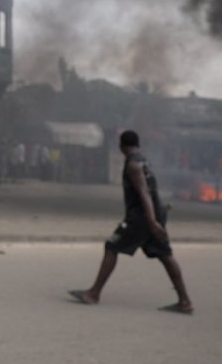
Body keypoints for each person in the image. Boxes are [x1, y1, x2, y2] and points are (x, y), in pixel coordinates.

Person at [69, 130, 193, 315]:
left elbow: (144, 193)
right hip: (155, 214)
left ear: (121, 146)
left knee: (112, 246)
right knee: (165, 255)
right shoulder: (144, 160)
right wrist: (156, 219)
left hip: (142, 218)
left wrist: (151, 221)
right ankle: (185, 302)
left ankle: (93, 294)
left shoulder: (133, 165)